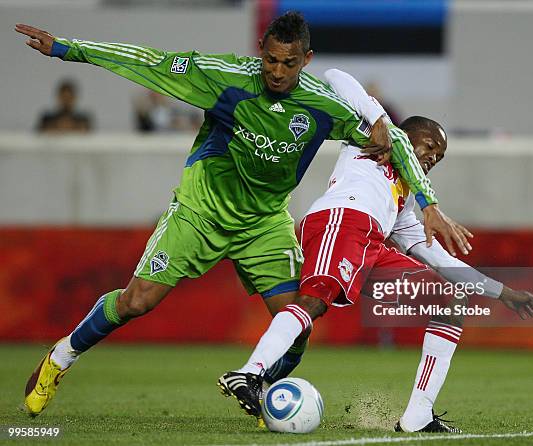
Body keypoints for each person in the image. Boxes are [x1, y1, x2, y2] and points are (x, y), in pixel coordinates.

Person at [14, 12, 471, 418]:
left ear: (305, 60)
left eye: (288, 63)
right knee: (138, 302)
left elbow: (395, 143)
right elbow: (148, 61)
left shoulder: (323, 106)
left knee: (295, 328)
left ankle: (263, 391)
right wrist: (69, 49)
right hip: (201, 210)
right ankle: (61, 357)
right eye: (270, 60)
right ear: (261, 52)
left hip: (265, 223)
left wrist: (428, 204)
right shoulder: (222, 76)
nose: (276, 71)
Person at [219, 68, 533, 432]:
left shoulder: (405, 202)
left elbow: (441, 259)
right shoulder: (372, 136)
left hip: (371, 241)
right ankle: (248, 374)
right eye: (431, 147)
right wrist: (377, 118)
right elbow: (335, 75)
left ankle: (418, 415)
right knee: (316, 300)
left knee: (450, 298)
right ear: (408, 137)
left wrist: (503, 292)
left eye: (440, 157)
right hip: (341, 219)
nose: (434, 158)